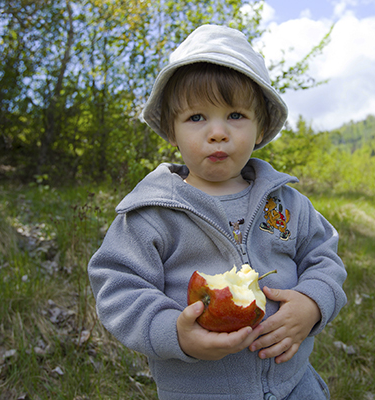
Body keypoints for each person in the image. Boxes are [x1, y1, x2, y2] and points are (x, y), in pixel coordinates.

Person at [88, 24, 347, 400]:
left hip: (293, 384)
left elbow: (324, 258)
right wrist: (174, 332)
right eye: (196, 118)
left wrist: (313, 303)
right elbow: (118, 285)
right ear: (171, 131)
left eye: (236, 115)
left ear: (261, 128)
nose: (217, 132)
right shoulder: (152, 213)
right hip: (199, 390)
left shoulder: (287, 204)